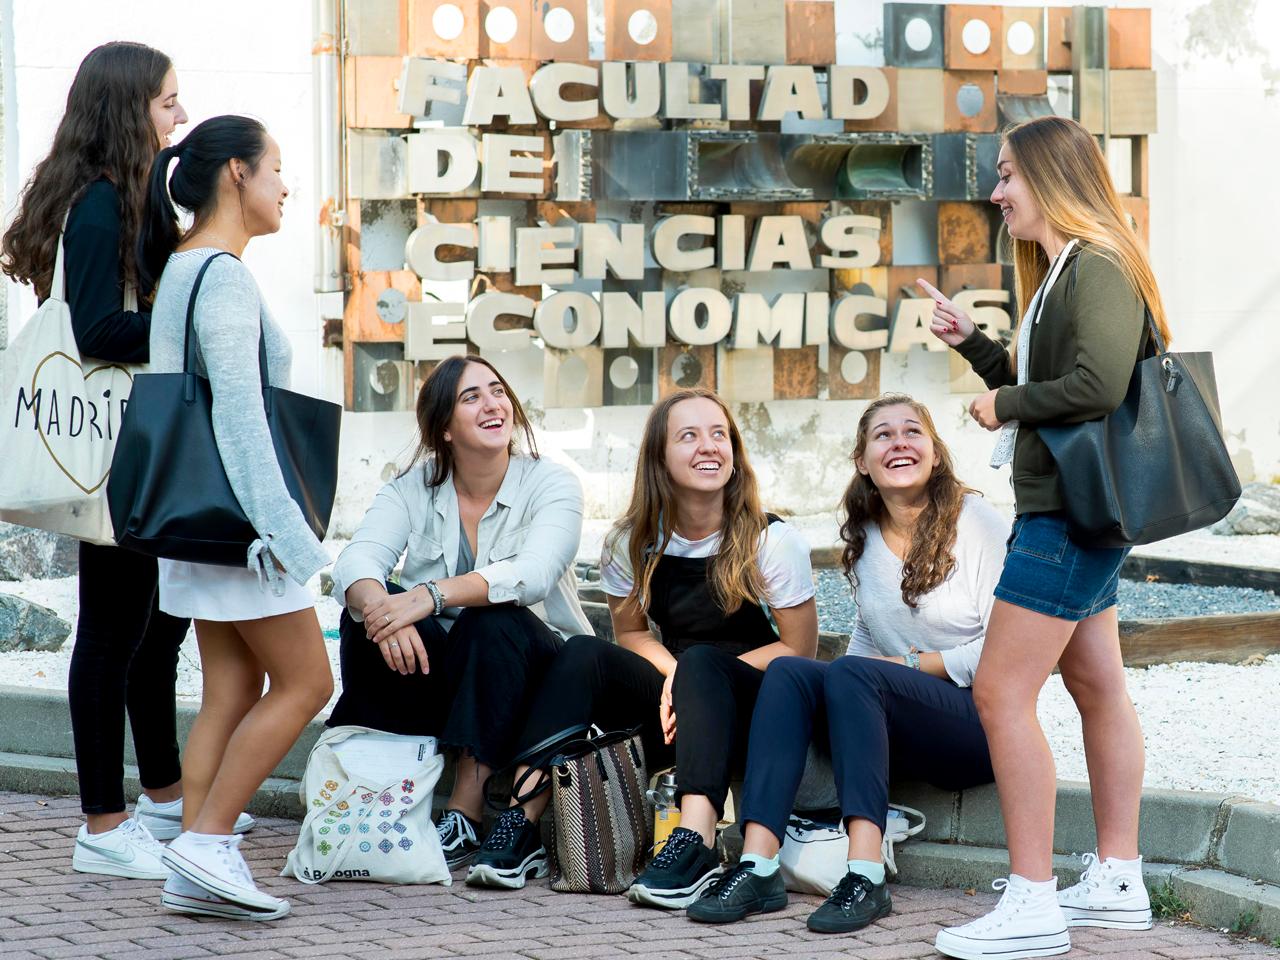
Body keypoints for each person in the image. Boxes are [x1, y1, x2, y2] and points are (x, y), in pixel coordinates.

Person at [0, 41, 248, 881]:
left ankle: (164, 795)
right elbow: (102, 330)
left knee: (151, 626)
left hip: (129, 447)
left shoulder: (119, 195)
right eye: (169, 101)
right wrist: (192, 334)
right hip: (112, 449)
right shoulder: (103, 202)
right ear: (129, 107)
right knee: (111, 636)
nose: (180, 115)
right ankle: (103, 824)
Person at [921, 115, 1165, 960]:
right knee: (1097, 686)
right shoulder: (1065, 268)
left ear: (1053, 178)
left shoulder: (1097, 264)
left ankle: (1031, 901)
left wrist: (1004, 405)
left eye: (1007, 176)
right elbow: (1049, 382)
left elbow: (1093, 388)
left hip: (1066, 517)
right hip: (1074, 509)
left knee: (998, 693)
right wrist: (980, 350)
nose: (995, 193)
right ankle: (1118, 877)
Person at [467, 388, 818, 904]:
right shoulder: (630, 541)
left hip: (752, 707)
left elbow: (799, 651)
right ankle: (522, 820)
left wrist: (700, 676)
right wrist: (675, 676)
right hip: (675, 707)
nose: (709, 446)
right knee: (582, 653)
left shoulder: (772, 541)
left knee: (702, 665)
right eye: (689, 436)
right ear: (659, 456)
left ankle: (695, 843)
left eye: (719, 434)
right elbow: (631, 634)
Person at [684, 394, 1009, 932]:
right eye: (883, 435)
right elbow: (866, 636)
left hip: (976, 726)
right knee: (790, 670)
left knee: (852, 673)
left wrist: (908, 664)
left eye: (913, 432)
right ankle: (759, 863)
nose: (899, 442)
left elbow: (1006, 647)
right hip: (897, 719)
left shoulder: (976, 523)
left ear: (934, 453)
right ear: (863, 460)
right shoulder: (866, 532)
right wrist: (853, 683)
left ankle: (865, 873)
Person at [137, 115, 334, 921]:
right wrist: (290, 536)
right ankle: (210, 841)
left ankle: (194, 867)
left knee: (230, 687)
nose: (287, 185)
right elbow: (241, 422)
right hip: (243, 530)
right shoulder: (221, 275)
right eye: (276, 168)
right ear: (235, 176)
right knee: (307, 681)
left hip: (200, 522)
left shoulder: (183, 268)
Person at [327, 353, 592, 871]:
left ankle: (464, 816)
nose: (493, 404)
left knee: (490, 618)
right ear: (444, 428)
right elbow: (355, 563)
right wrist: (381, 609)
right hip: (449, 682)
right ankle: (375, 785)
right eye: (472, 397)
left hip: (536, 682)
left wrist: (429, 595)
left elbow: (533, 574)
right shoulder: (413, 487)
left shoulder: (552, 484)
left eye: (497, 391)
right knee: (363, 618)